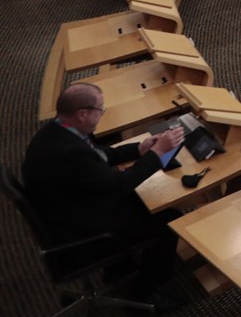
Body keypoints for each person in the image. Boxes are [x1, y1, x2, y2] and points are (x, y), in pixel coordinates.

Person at [22, 83, 185, 311]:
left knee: (144, 202)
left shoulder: (59, 130)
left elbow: (96, 155)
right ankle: (145, 292)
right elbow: (119, 186)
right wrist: (157, 154)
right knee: (168, 219)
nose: (102, 114)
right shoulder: (70, 152)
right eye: (100, 109)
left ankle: (119, 268)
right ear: (83, 113)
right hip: (82, 231)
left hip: (67, 208)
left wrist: (139, 149)